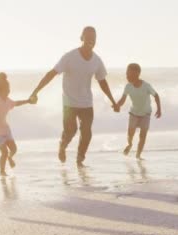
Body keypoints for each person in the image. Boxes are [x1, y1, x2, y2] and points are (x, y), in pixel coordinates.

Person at [29, 26, 117, 168]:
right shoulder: (69, 57)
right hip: (69, 102)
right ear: (81, 38)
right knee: (71, 131)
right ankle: (62, 146)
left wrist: (113, 101)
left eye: (93, 39)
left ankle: (80, 159)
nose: (90, 41)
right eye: (87, 38)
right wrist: (36, 91)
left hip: (87, 103)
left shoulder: (97, 60)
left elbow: (102, 82)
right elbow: (51, 74)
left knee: (87, 133)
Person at [0, 73, 33, 176]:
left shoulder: (8, 101)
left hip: (5, 128)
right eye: (7, 89)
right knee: (4, 152)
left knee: (14, 149)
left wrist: (28, 101)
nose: (9, 90)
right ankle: (2, 171)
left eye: (9, 89)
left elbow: (17, 103)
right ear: (1, 90)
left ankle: (10, 157)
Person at [114, 63, 162, 160]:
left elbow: (156, 95)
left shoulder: (146, 86)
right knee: (130, 134)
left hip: (145, 114)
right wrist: (117, 105)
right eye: (127, 73)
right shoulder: (128, 86)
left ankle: (138, 155)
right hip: (134, 113)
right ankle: (130, 144)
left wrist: (159, 109)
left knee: (142, 135)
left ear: (137, 74)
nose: (127, 76)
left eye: (129, 74)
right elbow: (123, 99)